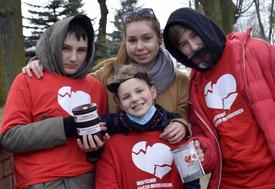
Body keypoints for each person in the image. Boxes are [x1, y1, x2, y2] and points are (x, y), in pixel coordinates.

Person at [163, 7, 275, 189]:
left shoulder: (255, 51)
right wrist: (201, 151)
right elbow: (206, 138)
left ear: (206, 29)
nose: (193, 47)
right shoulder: (195, 82)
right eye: (184, 44)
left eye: (194, 36)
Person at [0, 15, 107, 189]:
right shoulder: (27, 80)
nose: (73, 57)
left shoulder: (95, 88)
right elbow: (10, 136)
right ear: (53, 44)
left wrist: (95, 150)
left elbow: (101, 139)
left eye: (81, 50)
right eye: (65, 48)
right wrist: (67, 126)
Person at [22, 8, 191, 146]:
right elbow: (75, 80)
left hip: (164, 164)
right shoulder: (108, 72)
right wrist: (42, 62)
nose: (140, 47)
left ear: (159, 38)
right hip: (119, 163)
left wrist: (181, 125)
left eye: (146, 39)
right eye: (132, 40)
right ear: (125, 41)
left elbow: (186, 117)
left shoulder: (179, 80)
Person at [95, 63, 201, 189]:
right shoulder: (111, 145)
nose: (135, 99)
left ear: (152, 92)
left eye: (139, 91)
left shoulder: (178, 135)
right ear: (119, 103)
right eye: (126, 96)